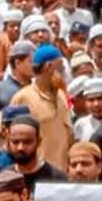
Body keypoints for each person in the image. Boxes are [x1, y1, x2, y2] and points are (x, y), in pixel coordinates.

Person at [9, 43, 73, 171]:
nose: (63, 73)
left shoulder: (61, 95)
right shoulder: (23, 98)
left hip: (61, 174)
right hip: (37, 173)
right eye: (60, 68)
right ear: (49, 67)